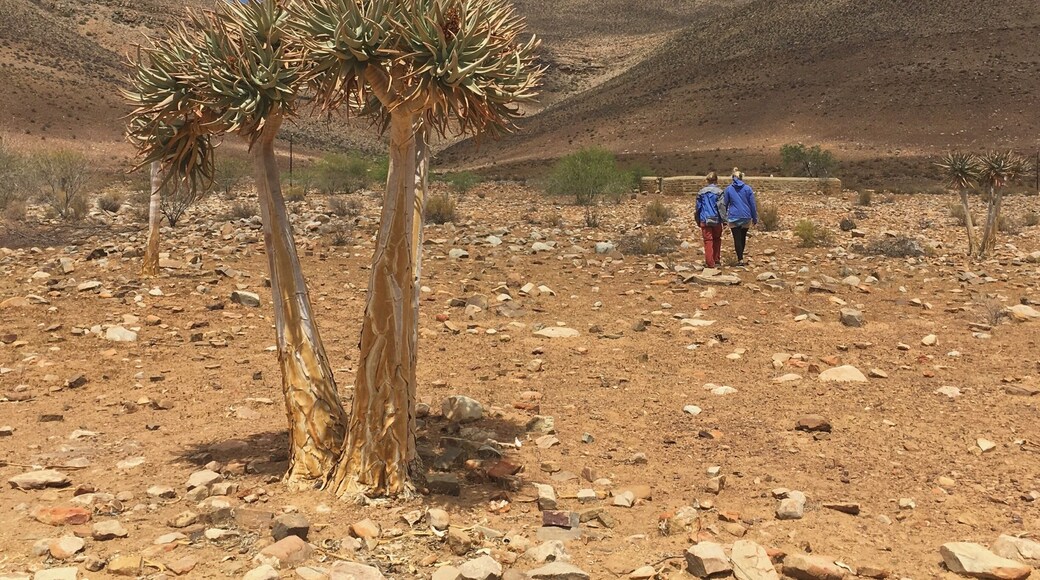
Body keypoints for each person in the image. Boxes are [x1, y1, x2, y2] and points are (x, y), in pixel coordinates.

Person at [723, 167, 758, 266]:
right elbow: (752, 204)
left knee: (736, 238)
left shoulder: (729, 189)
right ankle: (741, 257)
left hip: (733, 217)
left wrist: (723, 219)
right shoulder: (748, 189)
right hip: (746, 216)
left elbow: (725, 204)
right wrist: (754, 218)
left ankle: (740, 259)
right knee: (743, 237)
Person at [695, 172, 725, 268]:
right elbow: (721, 207)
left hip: (704, 219)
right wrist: (724, 220)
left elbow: (698, 208)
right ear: (716, 180)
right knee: (717, 239)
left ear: (707, 181)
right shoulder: (719, 192)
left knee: (708, 240)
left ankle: (709, 262)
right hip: (716, 220)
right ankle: (716, 260)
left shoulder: (701, 192)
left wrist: (697, 219)